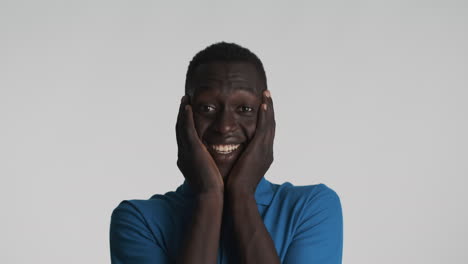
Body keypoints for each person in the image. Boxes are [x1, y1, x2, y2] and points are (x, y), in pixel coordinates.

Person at [109, 42, 343, 264]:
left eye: (244, 108)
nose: (224, 126)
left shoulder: (311, 208)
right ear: (184, 116)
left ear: (267, 117)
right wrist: (209, 196)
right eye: (207, 108)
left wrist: (241, 193)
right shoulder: (139, 220)